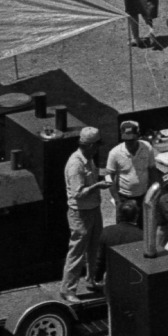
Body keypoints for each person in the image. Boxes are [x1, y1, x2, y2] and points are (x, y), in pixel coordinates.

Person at [60, 125, 105, 298]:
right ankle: (68, 289)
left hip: (93, 209)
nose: (98, 148)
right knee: (77, 252)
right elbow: (77, 193)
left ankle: (92, 280)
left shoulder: (89, 159)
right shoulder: (75, 165)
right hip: (80, 214)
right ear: (91, 145)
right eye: (97, 145)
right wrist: (98, 186)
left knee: (95, 249)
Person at [105, 118, 156, 226]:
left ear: (138, 135)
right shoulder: (114, 153)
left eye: (132, 140)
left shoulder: (147, 148)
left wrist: (153, 193)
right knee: (124, 229)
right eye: (126, 140)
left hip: (143, 196)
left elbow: (152, 169)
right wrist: (117, 200)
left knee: (144, 227)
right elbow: (109, 177)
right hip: (124, 198)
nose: (129, 143)